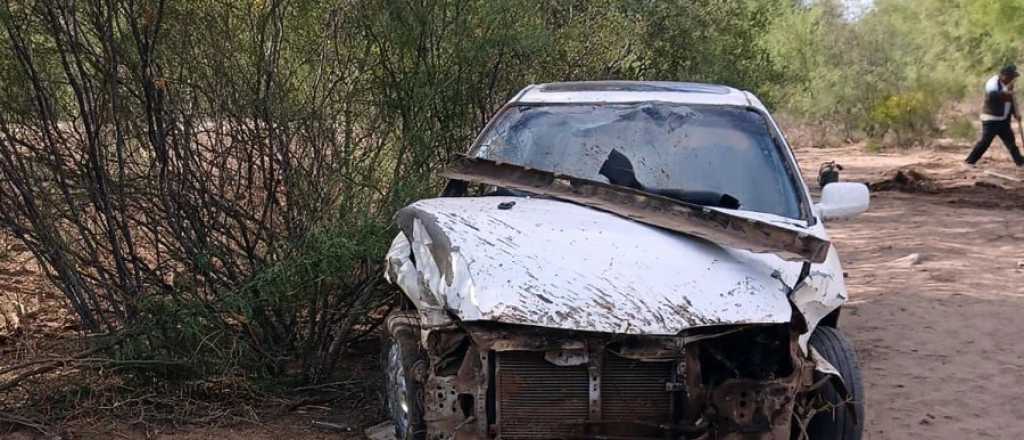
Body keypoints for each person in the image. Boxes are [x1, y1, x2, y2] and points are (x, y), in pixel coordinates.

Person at [965, 64, 1024, 167]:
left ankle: (1020, 162)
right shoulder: (993, 82)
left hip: (1004, 119)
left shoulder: (1009, 83)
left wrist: (1015, 114)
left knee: (1011, 142)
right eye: (1011, 77)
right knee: (985, 142)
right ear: (1004, 75)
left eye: (1013, 77)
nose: (1013, 79)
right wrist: (1007, 94)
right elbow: (993, 96)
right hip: (991, 119)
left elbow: (1011, 101)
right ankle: (969, 161)